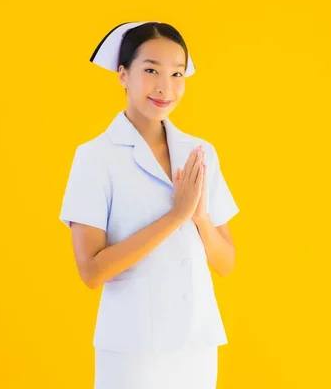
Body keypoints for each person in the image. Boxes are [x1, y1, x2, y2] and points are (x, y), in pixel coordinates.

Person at [59, 21, 240, 389]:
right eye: (151, 70)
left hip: (196, 344)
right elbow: (92, 272)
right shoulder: (95, 157)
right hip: (133, 350)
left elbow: (226, 262)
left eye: (177, 73)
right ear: (123, 75)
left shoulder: (199, 153)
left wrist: (200, 217)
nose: (165, 87)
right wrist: (177, 215)